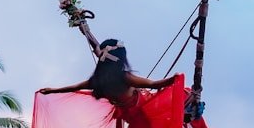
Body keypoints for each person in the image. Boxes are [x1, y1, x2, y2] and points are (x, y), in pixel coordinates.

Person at [39, 39, 176, 108]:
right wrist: (175, 78)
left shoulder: (96, 81)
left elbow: (73, 87)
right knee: (185, 95)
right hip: (144, 109)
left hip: (127, 113)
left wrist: (52, 90)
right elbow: (154, 84)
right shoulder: (125, 78)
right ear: (121, 58)